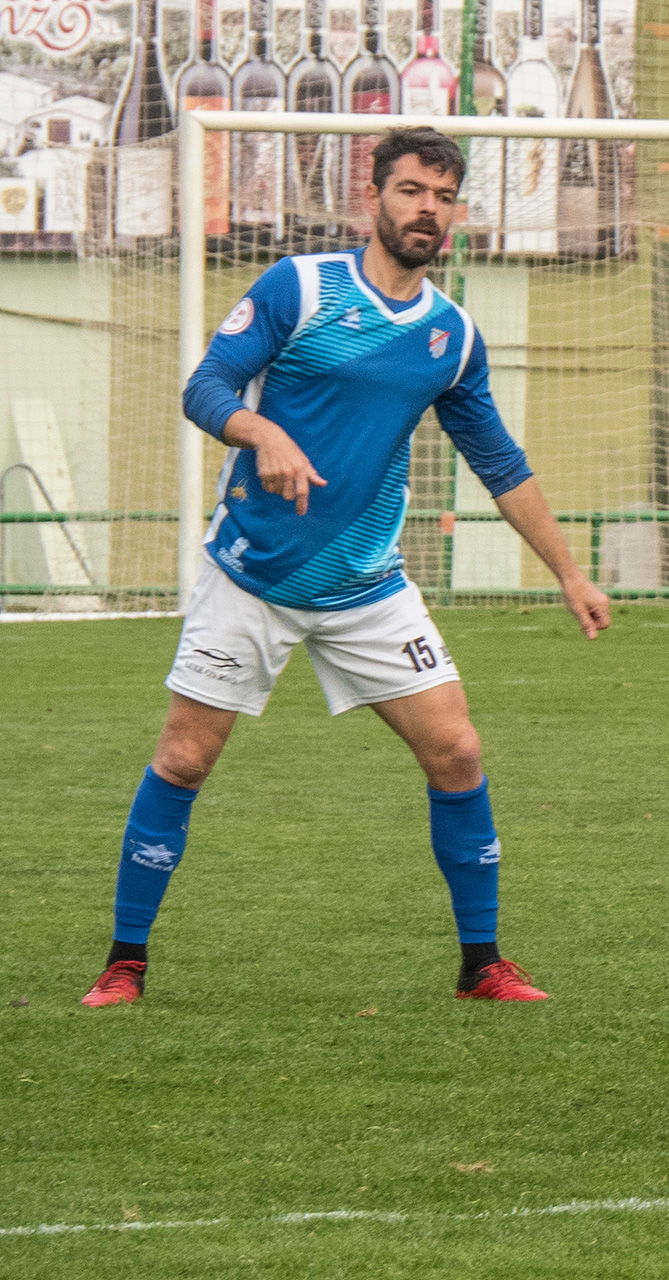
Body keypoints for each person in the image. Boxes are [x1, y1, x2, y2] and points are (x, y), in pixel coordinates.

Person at [80, 127, 612, 1008]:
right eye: (411, 191)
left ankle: (482, 965)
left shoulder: (451, 335)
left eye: (443, 198)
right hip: (253, 574)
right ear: (374, 197)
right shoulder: (300, 287)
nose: (427, 210)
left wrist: (569, 573)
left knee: (457, 750)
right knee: (184, 758)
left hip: (367, 585)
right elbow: (205, 388)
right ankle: (124, 964)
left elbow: (499, 462)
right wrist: (262, 432)